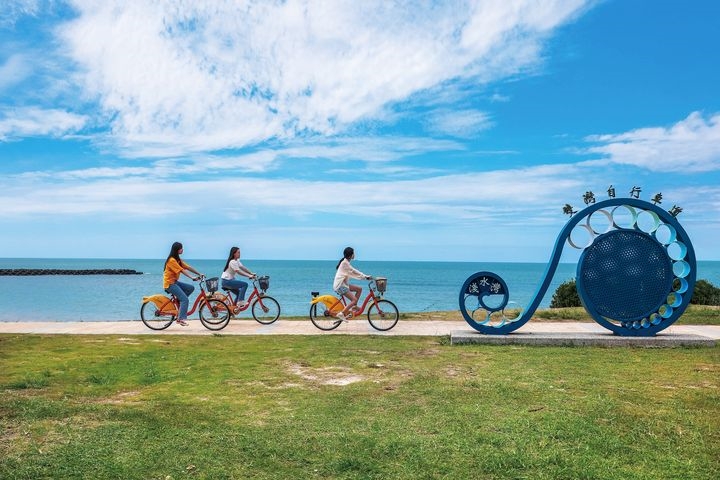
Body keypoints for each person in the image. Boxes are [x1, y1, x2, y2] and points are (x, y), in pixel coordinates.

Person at [163, 242, 204, 326]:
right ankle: (180, 319)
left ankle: (179, 301)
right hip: (169, 284)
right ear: (177, 249)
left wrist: (199, 274)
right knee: (185, 299)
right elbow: (181, 270)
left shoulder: (178, 260)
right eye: (181, 248)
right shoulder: (171, 260)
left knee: (190, 288)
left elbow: (188, 267)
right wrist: (192, 277)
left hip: (175, 282)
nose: (183, 249)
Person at [333, 247, 371, 322]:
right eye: (353, 253)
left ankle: (354, 307)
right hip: (340, 286)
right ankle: (342, 313)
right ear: (350, 255)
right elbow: (354, 271)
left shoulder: (346, 262)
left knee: (359, 289)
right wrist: (365, 276)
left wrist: (364, 276)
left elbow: (353, 272)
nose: (354, 254)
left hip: (343, 284)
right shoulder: (345, 263)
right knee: (354, 299)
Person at [221, 246, 256, 312]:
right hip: (227, 281)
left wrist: (251, 273)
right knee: (245, 284)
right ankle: (240, 302)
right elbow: (238, 271)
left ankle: (232, 310)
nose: (240, 254)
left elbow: (243, 268)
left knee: (239, 293)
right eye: (238, 252)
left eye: (240, 252)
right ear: (234, 253)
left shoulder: (236, 261)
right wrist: (249, 276)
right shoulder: (232, 262)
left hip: (228, 280)